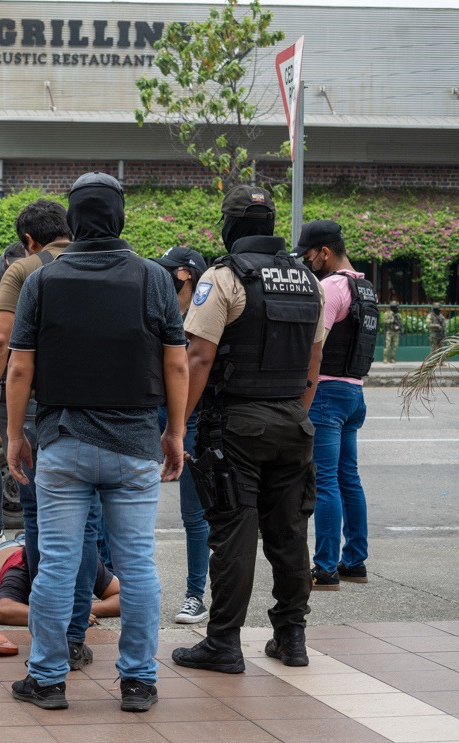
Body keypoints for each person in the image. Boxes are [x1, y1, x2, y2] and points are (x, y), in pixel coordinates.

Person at [5, 173, 188, 714]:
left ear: (74, 219)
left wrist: (17, 435)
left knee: (58, 563)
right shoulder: (153, 278)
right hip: (134, 441)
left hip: (61, 439)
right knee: (136, 565)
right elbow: (175, 360)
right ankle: (138, 681)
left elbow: (19, 368)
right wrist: (175, 431)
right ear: (120, 217)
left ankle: (47, 679)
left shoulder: (43, 279)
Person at [171, 186, 326, 676]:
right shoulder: (307, 280)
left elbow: (199, 355)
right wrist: (296, 412)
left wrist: (177, 427)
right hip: (293, 421)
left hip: (236, 426)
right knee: (289, 532)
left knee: (234, 534)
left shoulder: (224, 277)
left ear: (231, 225)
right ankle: (291, 638)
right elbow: (314, 361)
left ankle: (223, 643)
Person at [0, 203, 97, 669]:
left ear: (28, 239)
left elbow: (2, 343)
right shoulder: (111, 264)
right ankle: (75, 635)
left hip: (46, 415)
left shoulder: (26, 269)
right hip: (110, 416)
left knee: (43, 526)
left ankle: (53, 638)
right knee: (88, 532)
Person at [293, 221, 378, 590]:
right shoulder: (365, 287)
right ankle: (354, 561)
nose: (307, 263)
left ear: (324, 252)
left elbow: (316, 346)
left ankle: (325, 568)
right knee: (348, 478)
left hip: (326, 393)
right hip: (354, 393)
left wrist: (302, 397)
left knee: (324, 481)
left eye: (309, 255)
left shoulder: (329, 286)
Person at [150, 246, 212, 626]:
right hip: (152, 413)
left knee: (194, 515)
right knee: (122, 501)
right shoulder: (160, 312)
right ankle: (112, 584)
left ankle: (195, 595)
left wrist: (180, 424)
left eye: (168, 271)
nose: (163, 278)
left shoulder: (206, 316)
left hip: (191, 421)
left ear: (186, 274)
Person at [0, 543, 120, 628]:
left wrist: (83, 610)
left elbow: (124, 597)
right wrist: (62, 617)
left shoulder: (83, 561)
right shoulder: (19, 571)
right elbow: (4, 611)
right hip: (2, 549)